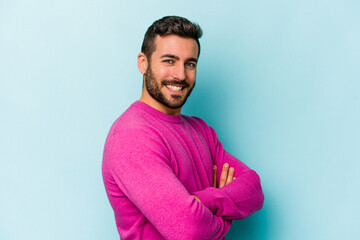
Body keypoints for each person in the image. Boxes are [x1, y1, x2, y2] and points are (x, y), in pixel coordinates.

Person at [102, 16, 264, 240]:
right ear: (143, 62)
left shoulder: (201, 130)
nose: (180, 75)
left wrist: (207, 200)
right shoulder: (132, 136)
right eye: (169, 61)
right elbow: (191, 230)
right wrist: (227, 214)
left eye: (190, 63)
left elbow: (254, 191)